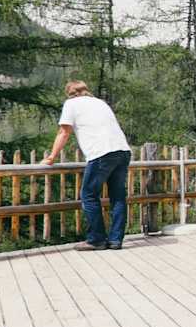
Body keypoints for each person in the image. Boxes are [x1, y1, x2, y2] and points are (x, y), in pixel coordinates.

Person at [40, 81, 132, 251]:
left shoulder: (71, 104)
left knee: (88, 195)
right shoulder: (100, 102)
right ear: (85, 90)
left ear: (70, 93)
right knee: (117, 196)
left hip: (101, 152)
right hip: (122, 150)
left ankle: (96, 239)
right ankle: (115, 240)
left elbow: (64, 132)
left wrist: (51, 157)